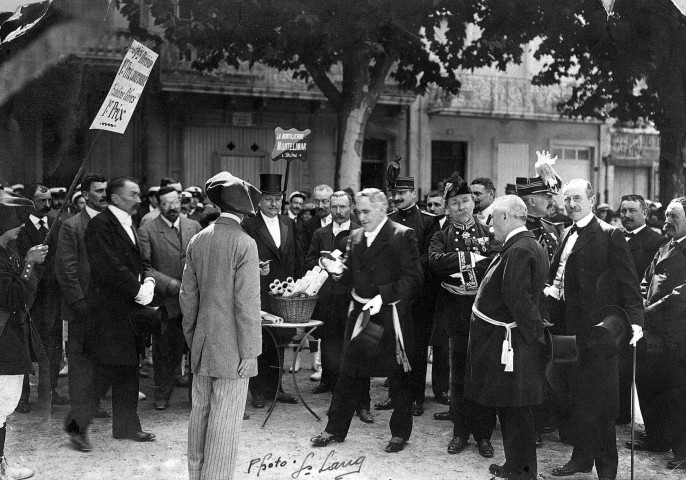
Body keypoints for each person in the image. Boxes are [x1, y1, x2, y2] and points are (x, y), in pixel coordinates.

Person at [546, 179, 643, 480]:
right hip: (565, 331)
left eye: (577, 198)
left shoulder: (610, 235)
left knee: (599, 406)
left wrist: (636, 322)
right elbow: (557, 276)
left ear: (591, 198)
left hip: (596, 334)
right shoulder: (564, 232)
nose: (571, 204)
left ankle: (607, 472)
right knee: (573, 397)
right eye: (567, 199)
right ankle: (581, 458)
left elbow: (628, 281)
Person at [310, 188, 421, 453]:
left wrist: (383, 297)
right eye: (358, 211)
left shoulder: (401, 235)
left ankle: (400, 433)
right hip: (361, 315)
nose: (361, 216)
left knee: (398, 376)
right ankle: (334, 429)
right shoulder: (356, 236)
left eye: (366, 211)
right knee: (348, 372)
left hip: (388, 315)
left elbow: (413, 279)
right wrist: (338, 271)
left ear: (382, 209)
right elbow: (352, 274)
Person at [181, 171, 262, 480]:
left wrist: (194, 339)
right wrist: (251, 351)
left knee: (199, 413)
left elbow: (187, 297)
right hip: (234, 348)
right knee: (225, 421)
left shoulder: (197, 239)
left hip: (202, 342)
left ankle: (196, 475)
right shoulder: (245, 243)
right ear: (244, 208)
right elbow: (247, 305)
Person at [466, 195, 549, 480]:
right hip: (513, 340)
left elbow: (518, 300)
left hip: (512, 342)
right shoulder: (525, 245)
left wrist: (533, 335)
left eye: (492, 220)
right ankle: (515, 465)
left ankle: (523, 472)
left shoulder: (519, 249)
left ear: (504, 217)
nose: (490, 228)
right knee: (511, 408)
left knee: (517, 412)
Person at [428, 173, 498, 458]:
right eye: (454, 203)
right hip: (454, 315)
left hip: (482, 315)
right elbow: (434, 263)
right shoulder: (440, 235)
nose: (461, 207)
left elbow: (494, 262)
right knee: (458, 375)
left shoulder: (489, 233)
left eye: (466, 201)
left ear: (474, 203)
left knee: (483, 374)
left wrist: (466, 279)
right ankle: (460, 432)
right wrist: (470, 260)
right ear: (447, 207)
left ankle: (483, 435)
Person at [84, 176, 156, 443]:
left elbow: (139, 260)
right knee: (106, 372)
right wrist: (138, 290)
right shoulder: (100, 225)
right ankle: (76, 424)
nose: (139, 199)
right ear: (116, 198)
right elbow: (109, 266)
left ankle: (126, 427)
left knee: (127, 368)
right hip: (109, 312)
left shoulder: (129, 223)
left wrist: (148, 280)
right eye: (133, 194)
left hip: (127, 311)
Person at [55, 174, 111, 452]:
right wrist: (82, 307)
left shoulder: (113, 223)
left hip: (111, 312)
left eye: (106, 190)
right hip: (83, 314)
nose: (103, 194)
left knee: (109, 368)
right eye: (98, 190)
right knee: (81, 372)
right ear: (85, 194)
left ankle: (78, 420)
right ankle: (78, 428)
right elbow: (66, 271)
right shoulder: (72, 226)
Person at [630, 197, 686, 470]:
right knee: (648, 383)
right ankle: (657, 437)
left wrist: (648, 311)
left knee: (675, 395)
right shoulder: (665, 247)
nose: (666, 221)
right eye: (665, 215)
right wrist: (640, 304)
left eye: (673, 216)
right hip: (652, 333)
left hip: (676, 336)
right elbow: (645, 280)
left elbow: (681, 295)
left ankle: (683, 450)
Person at [380, 174, 441, 416]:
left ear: (414, 194)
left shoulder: (428, 221)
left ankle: (416, 397)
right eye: (395, 194)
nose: (397, 197)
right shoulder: (387, 221)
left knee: (416, 349)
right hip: (394, 295)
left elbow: (428, 256)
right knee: (393, 345)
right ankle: (394, 395)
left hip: (419, 297)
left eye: (402, 193)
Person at [515, 153, 565, 443]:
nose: (551, 200)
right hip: (526, 308)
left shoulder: (551, 228)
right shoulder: (519, 228)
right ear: (530, 200)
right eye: (545, 195)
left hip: (549, 308)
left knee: (546, 365)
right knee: (527, 368)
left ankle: (545, 419)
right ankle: (529, 427)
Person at [138, 186, 202, 411]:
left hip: (193, 301)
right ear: (158, 205)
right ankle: (162, 395)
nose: (172, 207)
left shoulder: (194, 225)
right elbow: (145, 267)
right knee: (165, 350)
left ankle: (197, 398)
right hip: (167, 302)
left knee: (195, 349)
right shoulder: (148, 230)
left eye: (175, 202)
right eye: (166, 203)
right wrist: (171, 284)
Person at [242, 174, 301, 408]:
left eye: (278, 199)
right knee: (260, 342)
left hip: (284, 293)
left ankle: (276, 388)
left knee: (280, 341)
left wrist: (295, 288)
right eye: (269, 199)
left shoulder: (289, 223)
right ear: (259, 201)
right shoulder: (249, 225)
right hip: (259, 292)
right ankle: (257, 391)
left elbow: (296, 256)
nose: (274, 204)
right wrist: (256, 271)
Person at [304, 192, 366, 412]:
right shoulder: (320, 233)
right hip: (329, 295)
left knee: (355, 346)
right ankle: (329, 382)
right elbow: (310, 260)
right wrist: (322, 261)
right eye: (334, 207)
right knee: (329, 342)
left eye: (343, 207)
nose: (338, 212)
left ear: (351, 207)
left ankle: (362, 402)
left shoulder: (361, 231)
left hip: (352, 296)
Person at [0, 191, 47, 480]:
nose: (20, 226)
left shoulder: (8, 253)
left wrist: (26, 263)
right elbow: (15, 298)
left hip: (10, 340)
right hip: (3, 343)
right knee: (1, 407)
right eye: (14, 221)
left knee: (3, 409)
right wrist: (29, 263)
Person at [616, 194, 666, 425]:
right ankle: (621, 413)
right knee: (617, 363)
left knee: (639, 367)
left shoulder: (656, 241)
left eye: (632, 211)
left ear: (645, 213)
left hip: (640, 311)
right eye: (623, 210)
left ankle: (648, 423)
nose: (626, 215)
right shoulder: (615, 237)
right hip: (615, 310)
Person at [15, 184, 66, 411]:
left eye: (48, 200)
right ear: (29, 202)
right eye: (40, 201)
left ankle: (50, 391)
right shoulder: (19, 229)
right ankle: (22, 397)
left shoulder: (58, 226)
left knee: (52, 345)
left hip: (51, 297)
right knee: (24, 346)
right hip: (28, 298)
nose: (47, 205)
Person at [299, 185, 334, 255]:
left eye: (324, 201)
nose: (320, 206)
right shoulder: (308, 225)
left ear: (332, 202)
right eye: (317, 201)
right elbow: (305, 253)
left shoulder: (341, 220)